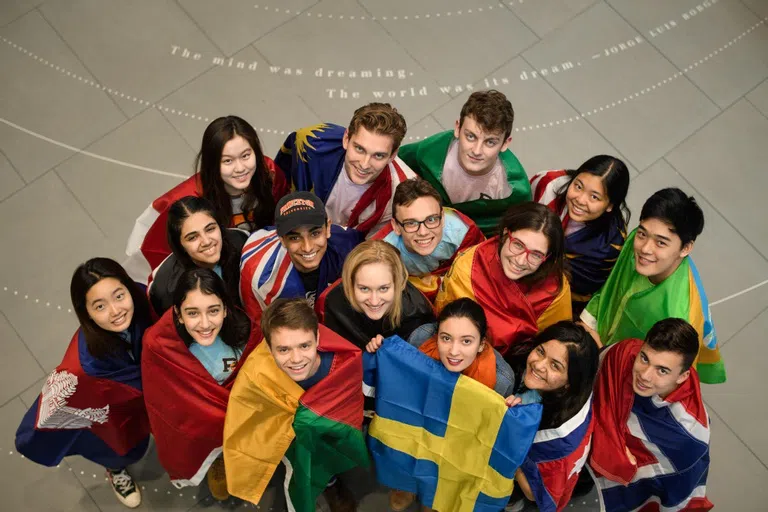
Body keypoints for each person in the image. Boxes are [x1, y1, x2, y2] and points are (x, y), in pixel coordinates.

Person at [16, 258, 152, 509]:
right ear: (85, 311)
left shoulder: (146, 300)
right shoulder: (82, 366)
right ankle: (115, 469)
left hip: (152, 397)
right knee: (114, 443)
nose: (115, 311)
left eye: (119, 295)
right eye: (100, 306)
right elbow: (55, 406)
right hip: (113, 409)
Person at [365, 297, 518, 511]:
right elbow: (403, 381)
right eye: (446, 338)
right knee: (403, 486)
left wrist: (510, 412)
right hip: (418, 428)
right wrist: (380, 351)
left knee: (436, 498)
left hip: (455, 444)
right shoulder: (421, 338)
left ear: (481, 343)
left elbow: (489, 434)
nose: (454, 351)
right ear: (437, 335)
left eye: (466, 341)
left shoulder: (501, 379)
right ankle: (406, 489)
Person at [223, 298, 368, 512]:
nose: (296, 358)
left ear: (317, 338)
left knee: (327, 458)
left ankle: (331, 483)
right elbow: (247, 414)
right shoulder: (256, 374)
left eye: (304, 345)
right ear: (268, 348)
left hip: (328, 438)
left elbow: (350, 408)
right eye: (283, 349)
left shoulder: (340, 366)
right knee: (299, 471)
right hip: (289, 442)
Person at [580, 188, 726, 384]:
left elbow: (660, 379)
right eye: (642, 233)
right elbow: (613, 286)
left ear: (686, 248)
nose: (646, 248)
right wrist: (589, 329)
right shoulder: (638, 242)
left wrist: (603, 358)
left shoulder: (679, 315)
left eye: (661, 243)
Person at [124, 115, 288, 283]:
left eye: (246, 156)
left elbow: (283, 218)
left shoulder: (270, 175)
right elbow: (156, 255)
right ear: (212, 163)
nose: (240, 168)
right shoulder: (186, 202)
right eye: (228, 161)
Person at [142, 268, 259, 501]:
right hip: (205, 435)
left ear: (226, 309)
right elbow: (164, 405)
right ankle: (218, 462)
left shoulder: (248, 333)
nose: (204, 324)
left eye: (213, 310)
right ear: (178, 314)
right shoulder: (160, 347)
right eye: (192, 313)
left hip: (245, 425)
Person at [588, 318, 713, 511]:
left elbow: (678, 488)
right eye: (645, 358)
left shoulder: (688, 436)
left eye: (662, 370)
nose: (645, 375)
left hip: (620, 494)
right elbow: (595, 371)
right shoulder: (625, 354)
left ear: (683, 376)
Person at [435, 202, 572, 355]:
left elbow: (553, 347)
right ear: (506, 233)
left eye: (535, 255)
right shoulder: (471, 264)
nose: (520, 261)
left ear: (547, 258)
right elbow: (443, 319)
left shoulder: (555, 291)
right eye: (518, 245)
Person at [398, 90, 531, 235]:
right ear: (457, 128)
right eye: (471, 137)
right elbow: (397, 162)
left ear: (505, 143)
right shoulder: (428, 152)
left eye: (490, 142)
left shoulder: (515, 191)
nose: (477, 150)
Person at [275, 103, 416, 236]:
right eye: (359, 149)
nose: (364, 164)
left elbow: (374, 246)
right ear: (346, 139)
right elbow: (281, 183)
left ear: (393, 155)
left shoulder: (401, 194)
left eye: (378, 155)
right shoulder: (311, 143)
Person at [504, 322, 599, 512]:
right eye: (540, 351)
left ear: (569, 383)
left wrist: (508, 440)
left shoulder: (562, 438)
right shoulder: (530, 369)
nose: (538, 365)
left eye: (555, 365)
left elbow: (533, 491)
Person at [240, 191, 363, 325]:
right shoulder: (261, 273)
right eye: (295, 238)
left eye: (315, 233)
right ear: (281, 239)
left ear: (328, 228)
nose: (307, 247)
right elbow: (261, 328)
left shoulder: (349, 246)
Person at [530, 155, 630, 317]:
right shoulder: (550, 184)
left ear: (610, 205)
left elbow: (578, 293)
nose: (580, 200)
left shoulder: (610, 246)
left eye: (594, 197)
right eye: (578, 186)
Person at [371, 177, 485, 300]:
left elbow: (479, 268)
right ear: (396, 226)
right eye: (411, 223)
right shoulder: (381, 252)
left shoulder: (462, 230)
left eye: (431, 220)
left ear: (443, 218)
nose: (423, 232)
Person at [317, 240, 436, 351]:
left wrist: (389, 352)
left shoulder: (416, 317)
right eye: (364, 289)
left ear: (399, 284)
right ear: (349, 284)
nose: (374, 301)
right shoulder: (335, 304)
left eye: (383, 288)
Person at [148, 196, 246, 315]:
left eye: (210, 229)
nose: (206, 242)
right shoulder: (167, 290)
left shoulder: (242, 243)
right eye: (193, 237)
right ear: (180, 245)